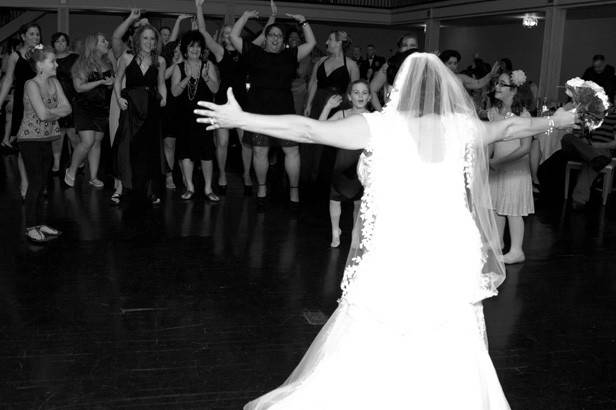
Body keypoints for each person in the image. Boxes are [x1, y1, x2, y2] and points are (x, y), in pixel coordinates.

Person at [195, 52, 576, 409]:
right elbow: (510, 125)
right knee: (451, 337)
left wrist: (242, 119)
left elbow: (308, 131)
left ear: (399, 87)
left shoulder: (378, 126)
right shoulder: (463, 127)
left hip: (398, 249)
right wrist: (555, 122)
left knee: (379, 330)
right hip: (450, 248)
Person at [230, 9, 316, 209]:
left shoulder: (290, 55)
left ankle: (294, 192)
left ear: (282, 39)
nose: (276, 39)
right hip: (259, 110)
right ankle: (261, 189)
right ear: (265, 37)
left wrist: (304, 21)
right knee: (260, 151)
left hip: (284, 111)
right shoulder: (254, 52)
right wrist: (244, 17)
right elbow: (234, 36)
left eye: (279, 36)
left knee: (292, 151)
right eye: (272, 35)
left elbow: (311, 44)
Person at [17, 45, 71, 242]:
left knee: (43, 184)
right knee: (36, 182)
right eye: (52, 61)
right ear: (40, 64)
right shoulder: (30, 84)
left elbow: (68, 108)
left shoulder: (54, 81)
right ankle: (30, 226)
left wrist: (52, 112)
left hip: (46, 138)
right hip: (29, 140)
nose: (56, 64)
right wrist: (56, 111)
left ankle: (39, 223)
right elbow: (42, 113)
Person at [113, 24, 167, 215]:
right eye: (145, 38)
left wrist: (164, 98)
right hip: (131, 107)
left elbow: (161, 83)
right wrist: (119, 98)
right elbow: (118, 80)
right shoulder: (126, 58)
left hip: (151, 108)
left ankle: (151, 191)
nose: (149, 42)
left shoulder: (160, 60)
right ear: (138, 40)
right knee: (125, 147)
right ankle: (121, 188)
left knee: (150, 150)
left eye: (152, 39)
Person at [488, 70, 535, 265]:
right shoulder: (494, 112)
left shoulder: (523, 115)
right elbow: (491, 139)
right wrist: (488, 159)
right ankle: (497, 242)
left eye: (502, 84)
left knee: (513, 211)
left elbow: (525, 148)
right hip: (497, 168)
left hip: (515, 170)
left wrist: (500, 161)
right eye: (497, 83)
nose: (497, 87)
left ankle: (517, 250)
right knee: (498, 206)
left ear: (514, 90)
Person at [303, 30, 359, 189]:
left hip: (338, 106)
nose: (326, 43)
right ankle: (312, 179)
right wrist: (308, 104)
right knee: (314, 141)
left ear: (339, 43)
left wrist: (351, 114)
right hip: (318, 104)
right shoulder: (321, 61)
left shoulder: (351, 65)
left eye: (330, 39)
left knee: (330, 145)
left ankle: (328, 181)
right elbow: (313, 83)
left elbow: (354, 91)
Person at [319, 80, 370, 248]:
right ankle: (335, 231)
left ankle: (355, 231)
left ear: (369, 97)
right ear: (349, 96)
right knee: (335, 199)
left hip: (361, 166)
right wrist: (327, 107)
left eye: (364, 92)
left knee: (358, 202)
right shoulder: (342, 115)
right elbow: (319, 128)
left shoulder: (372, 118)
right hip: (340, 164)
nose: (360, 96)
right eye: (356, 92)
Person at [171, 30, 220, 202]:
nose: (195, 49)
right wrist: (188, 78)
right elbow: (175, 92)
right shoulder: (179, 67)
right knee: (186, 153)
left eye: (198, 46)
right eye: (192, 46)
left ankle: (208, 188)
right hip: (185, 117)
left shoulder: (209, 65)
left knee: (207, 153)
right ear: (185, 49)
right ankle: (190, 187)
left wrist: (205, 77)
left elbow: (215, 89)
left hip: (204, 116)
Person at [64, 33, 114, 189]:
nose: (107, 42)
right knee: (87, 142)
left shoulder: (107, 63)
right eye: (103, 41)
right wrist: (100, 81)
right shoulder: (82, 63)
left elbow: (109, 87)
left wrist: (110, 84)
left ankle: (93, 176)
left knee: (97, 142)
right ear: (93, 45)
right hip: (84, 106)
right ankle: (71, 170)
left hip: (101, 107)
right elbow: (79, 88)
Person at [0, 23, 42, 199]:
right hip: (22, 105)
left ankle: (38, 183)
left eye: (38, 34)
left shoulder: (42, 54)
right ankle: (25, 182)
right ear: (23, 36)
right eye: (31, 34)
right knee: (23, 146)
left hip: (40, 104)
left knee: (40, 146)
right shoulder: (15, 57)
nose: (35, 37)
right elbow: (9, 79)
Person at [561, 109, 616, 210]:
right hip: (586, 148)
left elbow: (615, 144)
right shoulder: (595, 114)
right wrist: (583, 138)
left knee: (591, 160)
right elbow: (583, 136)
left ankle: (579, 200)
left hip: (603, 150)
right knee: (567, 137)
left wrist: (596, 145)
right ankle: (593, 157)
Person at [51, 32, 79, 173]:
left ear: (67, 43)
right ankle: (56, 164)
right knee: (58, 133)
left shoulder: (75, 58)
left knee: (73, 133)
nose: (60, 43)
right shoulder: (49, 59)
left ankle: (78, 162)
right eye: (57, 41)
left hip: (72, 98)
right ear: (53, 44)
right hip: (55, 100)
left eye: (63, 41)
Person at [369, 34, 419, 111]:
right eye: (405, 45)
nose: (408, 48)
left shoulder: (423, 66)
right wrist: (381, 111)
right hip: (393, 114)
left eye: (412, 45)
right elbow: (372, 89)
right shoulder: (389, 66)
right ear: (400, 48)